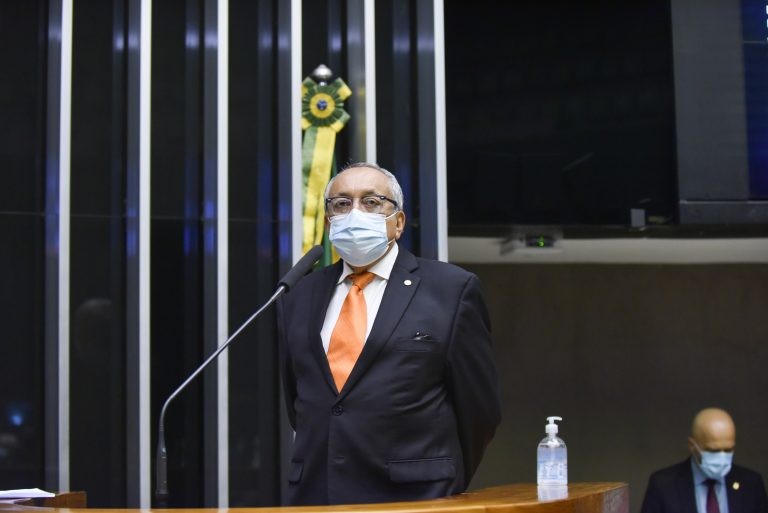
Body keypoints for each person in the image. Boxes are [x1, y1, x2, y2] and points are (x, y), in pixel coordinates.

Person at [276, 162, 502, 506]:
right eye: (342, 203)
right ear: (329, 222)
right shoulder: (299, 294)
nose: (355, 212)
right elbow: (301, 400)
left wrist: (444, 478)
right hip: (319, 494)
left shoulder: (450, 290)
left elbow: (480, 411)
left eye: (371, 202)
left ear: (398, 222)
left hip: (416, 497)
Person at [640, 407, 768, 513]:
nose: (722, 457)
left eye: (728, 450)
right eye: (713, 450)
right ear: (692, 446)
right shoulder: (664, 486)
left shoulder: (751, 484)